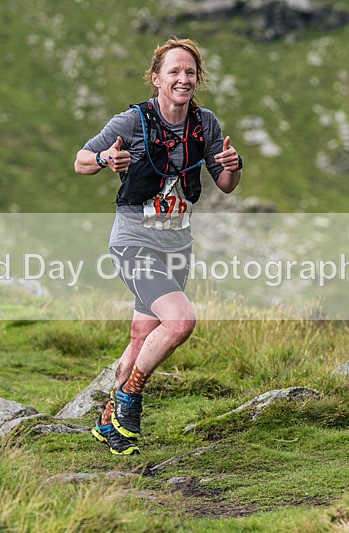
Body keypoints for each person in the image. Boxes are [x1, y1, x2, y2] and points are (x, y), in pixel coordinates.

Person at [74, 37, 243, 455]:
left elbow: (225, 185)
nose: (183, 79)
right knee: (181, 321)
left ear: (197, 80)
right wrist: (103, 161)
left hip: (177, 244)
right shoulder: (132, 122)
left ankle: (107, 421)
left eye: (190, 72)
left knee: (140, 338)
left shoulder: (205, 123)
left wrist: (232, 167)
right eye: (174, 71)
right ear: (156, 78)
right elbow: (80, 160)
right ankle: (131, 398)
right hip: (134, 240)